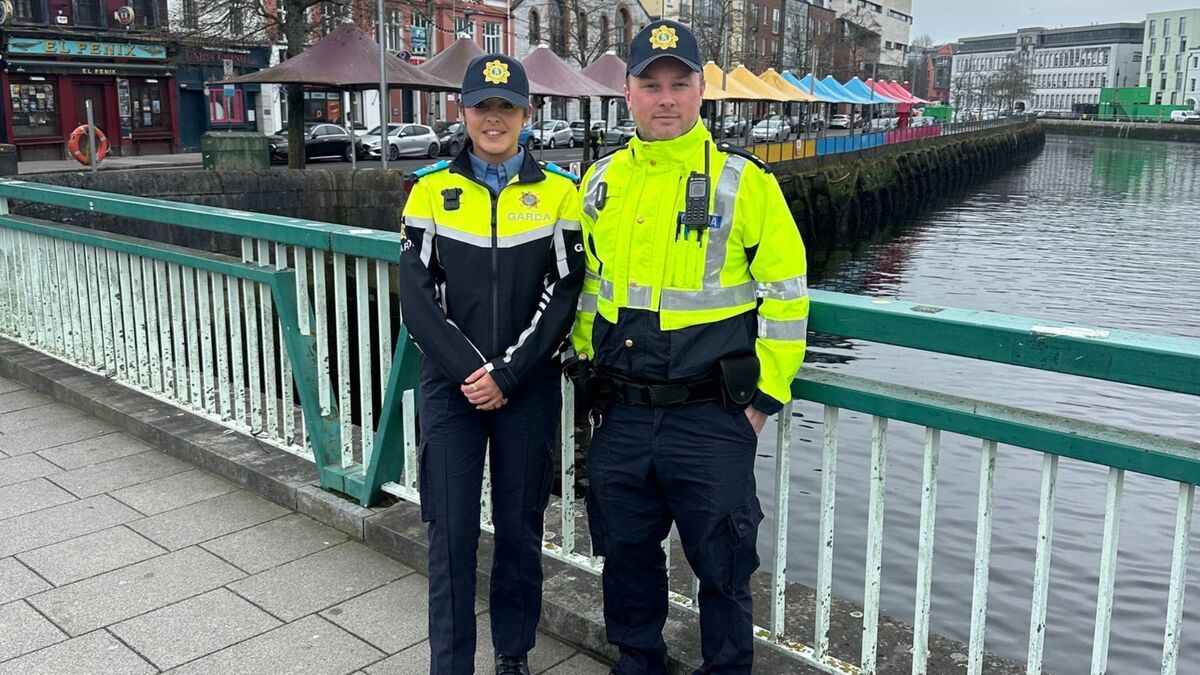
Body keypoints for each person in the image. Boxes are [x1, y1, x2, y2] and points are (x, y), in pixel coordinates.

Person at [569, 19, 809, 675]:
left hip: (710, 415)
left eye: (680, 83)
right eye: (651, 85)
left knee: (723, 563)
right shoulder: (600, 182)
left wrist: (765, 397)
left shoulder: (745, 182)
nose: (666, 98)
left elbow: (787, 295)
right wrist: (584, 369)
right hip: (621, 410)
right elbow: (588, 288)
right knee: (626, 553)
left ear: (702, 90)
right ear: (627, 92)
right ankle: (638, 659)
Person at [398, 54, 584, 675]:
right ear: (464, 112)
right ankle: (450, 664)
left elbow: (565, 293)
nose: (494, 118)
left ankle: (513, 655)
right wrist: (473, 374)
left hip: (526, 387)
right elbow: (417, 300)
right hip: (451, 389)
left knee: (519, 529)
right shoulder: (430, 192)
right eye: (482, 106)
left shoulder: (560, 193)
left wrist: (509, 373)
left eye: (507, 106)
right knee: (450, 535)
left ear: (527, 113)